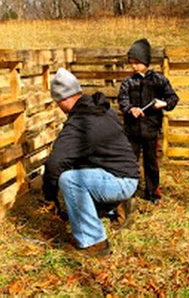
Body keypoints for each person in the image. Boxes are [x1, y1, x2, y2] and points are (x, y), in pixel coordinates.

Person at [42, 68, 140, 257]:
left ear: (63, 100)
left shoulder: (80, 122)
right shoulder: (100, 108)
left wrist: (50, 194)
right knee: (77, 169)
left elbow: (55, 162)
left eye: (57, 103)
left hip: (121, 180)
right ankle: (116, 206)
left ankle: (94, 242)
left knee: (70, 180)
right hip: (127, 173)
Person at [118, 38, 179, 203]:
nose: (133, 66)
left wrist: (163, 103)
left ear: (146, 61)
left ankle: (153, 193)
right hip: (131, 131)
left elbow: (173, 98)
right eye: (131, 63)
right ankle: (129, 191)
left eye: (137, 62)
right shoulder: (128, 82)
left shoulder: (159, 80)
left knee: (151, 163)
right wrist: (130, 109)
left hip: (151, 130)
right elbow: (122, 100)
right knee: (130, 162)